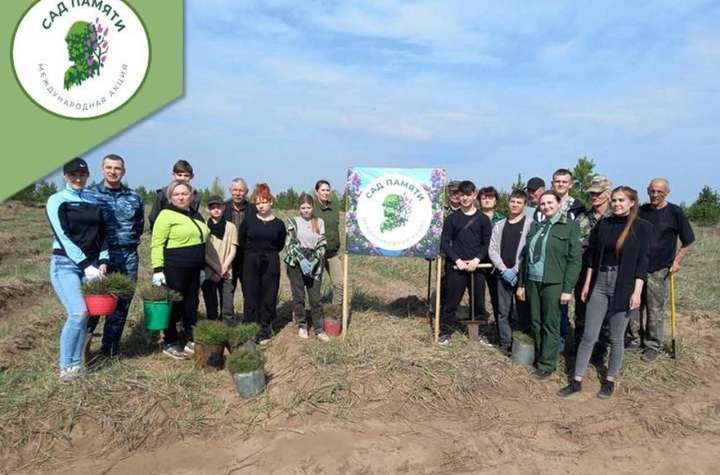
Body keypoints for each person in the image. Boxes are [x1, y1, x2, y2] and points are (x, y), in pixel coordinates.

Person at [559, 186, 652, 398]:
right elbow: (592, 258)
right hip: (599, 283)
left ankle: (609, 380)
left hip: (624, 285)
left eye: (621, 200)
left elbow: (642, 262)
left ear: (631, 203)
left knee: (616, 337)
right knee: (589, 335)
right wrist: (587, 285)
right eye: (615, 200)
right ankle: (576, 381)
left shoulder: (642, 227)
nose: (617, 204)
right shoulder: (604, 224)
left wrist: (637, 292)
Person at [47, 158, 109, 381]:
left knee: (86, 316)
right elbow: (62, 235)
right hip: (65, 264)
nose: (78, 178)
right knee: (77, 313)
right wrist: (85, 265)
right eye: (73, 174)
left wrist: (103, 260)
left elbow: (102, 233)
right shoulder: (57, 200)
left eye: (82, 175)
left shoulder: (93, 200)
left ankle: (77, 364)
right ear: (65, 176)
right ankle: (67, 365)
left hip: (91, 265)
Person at [627, 178, 695, 361]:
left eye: (659, 191)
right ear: (647, 191)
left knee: (655, 309)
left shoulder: (675, 212)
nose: (655, 195)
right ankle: (634, 340)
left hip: (660, 269)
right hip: (637, 267)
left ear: (667, 193)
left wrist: (677, 261)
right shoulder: (641, 211)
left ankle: (652, 345)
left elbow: (688, 240)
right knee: (634, 306)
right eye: (652, 191)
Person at [516, 191, 582, 379]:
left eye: (550, 202)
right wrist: (521, 284)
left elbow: (574, 261)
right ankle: (539, 357)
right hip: (533, 281)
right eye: (543, 204)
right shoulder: (537, 226)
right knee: (536, 321)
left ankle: (547, 364)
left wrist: (567, 289)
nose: (546, 207)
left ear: (559, 204)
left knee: (550, 323)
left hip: (553, 283)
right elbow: (526, 258)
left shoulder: (569, 227)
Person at [85, 154, 144, 358]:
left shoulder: (134, 197)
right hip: (98, 256)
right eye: (109, 167)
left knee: (122, 302)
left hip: (127, 255)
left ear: (123, 171)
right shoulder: (89, 195)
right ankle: (82, 349)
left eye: (117, 168)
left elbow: (138, 226)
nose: (113, 172)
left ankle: (110, 349)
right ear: (102, 169)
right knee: (94, 302)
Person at [150, 180, 210, 360]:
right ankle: (170, 341)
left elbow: (202, 240)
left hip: (195, 268)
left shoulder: (196, 215)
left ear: (191, 196)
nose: (181, 197)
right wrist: (158, 269)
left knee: (191, 304)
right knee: (175, 305)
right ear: (170, 197)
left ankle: (191, 339)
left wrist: (202, 267)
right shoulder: (166, 215)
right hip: (175, 267)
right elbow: (157, 243)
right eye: (176, 194)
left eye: (184, 193)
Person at [438, 180, 492, 345]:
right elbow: (444, 242)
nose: (465, 198)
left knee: (478, 303)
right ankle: (445, 332)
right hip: (456, 267)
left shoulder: (483, 219)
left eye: (468, 194)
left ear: (474, 195)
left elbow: (487, 243)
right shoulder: (452, 219)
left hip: (478, 267)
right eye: (462, 195)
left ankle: (479, 333)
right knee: (450, 302)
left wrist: (477, 259)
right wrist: (457, 260)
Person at [239, 183, 287, 343]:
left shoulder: (279, 224)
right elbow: (242, 240)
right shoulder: (248, 221)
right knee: (251, 295)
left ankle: (265, 329)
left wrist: (268, 253)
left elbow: (280, 244)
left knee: (269, 295)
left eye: (264, 202)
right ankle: (250, 330)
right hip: (251, 261)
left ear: (271, 202)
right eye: (257, 203)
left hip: (271, 262)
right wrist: (253, 254)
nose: (261, 206)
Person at [572, 175, 613, 356]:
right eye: (591, 193)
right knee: (581, 310)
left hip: (608, 273)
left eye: (598, 193)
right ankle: (580, 347)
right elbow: (575, 243)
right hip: (583, 271)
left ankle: (601, 350)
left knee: (606, 313)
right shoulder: (582, 218)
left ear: (608, 193)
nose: (594, 197)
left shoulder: (616, 217)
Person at [488, 189, 533, 352]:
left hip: (521, 275)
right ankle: (505, 343)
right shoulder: (499, 225)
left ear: (524, 205)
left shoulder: (530, 224)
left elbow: (529, 250)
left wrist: (515, 270)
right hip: (502, 274)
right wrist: (503, 269)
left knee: (524, 310)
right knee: (503, 311)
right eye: (512, 201)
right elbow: (492, 249)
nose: (515, 205)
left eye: (519, 202)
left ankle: (524, 344)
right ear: (508, 203)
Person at [284, 193, 329, 342]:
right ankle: (302, 325)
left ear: (313, 207)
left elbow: (322, 243)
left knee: (315, 298)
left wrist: (315, 260)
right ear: (299, 208)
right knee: (299, 295)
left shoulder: (319, 222)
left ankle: (319, 329)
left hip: (314, 261)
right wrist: (301, 259)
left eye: (308, 207)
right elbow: (289, 244)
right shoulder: (293, 222)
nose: (305, 210)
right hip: (296, 262)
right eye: (303, 208)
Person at [202, 196, 238, 325]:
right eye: (213, 207)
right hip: (209, 272)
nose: (216, 210)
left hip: (227, 272)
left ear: (223, 208)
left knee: (227, 307)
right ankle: (214, 333)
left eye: (218, 207)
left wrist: (223, 269)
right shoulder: (203, 227)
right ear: (208, 210)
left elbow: (233, 250)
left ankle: (228, 332)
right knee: (211, 307)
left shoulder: (231, 227)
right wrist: (216, 270)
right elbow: (203, 252)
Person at [222, 178, 255, 315]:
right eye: (235, 190)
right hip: (228, 256)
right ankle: (227, 319)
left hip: (247, 256)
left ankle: (249, 318)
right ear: (230, 190)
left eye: (241, 190)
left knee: (249, 288)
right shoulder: (223, 208)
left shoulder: (253, 209)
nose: (238, 193)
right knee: (227, 290)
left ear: (246, 192)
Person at [477, 186, 505, 322]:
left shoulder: (502, 220)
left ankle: (500, 324)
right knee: (478, 295)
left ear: (496, 201)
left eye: (490, 197)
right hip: (478, 261)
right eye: (484, 198)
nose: (487, 200)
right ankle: (480, 321)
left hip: (496, 263)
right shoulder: (474, 218)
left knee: (497, 295)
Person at [313, 180, 343, 306]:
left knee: (339, 283)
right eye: (323, 190)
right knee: (314, 285)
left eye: (327, 190)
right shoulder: (312, 208)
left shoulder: (334, 207)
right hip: (316, 254)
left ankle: (335, 311)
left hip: (332, 253)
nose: (325, 193)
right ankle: (315, 311)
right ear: (317, 192)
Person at [148, 159, 201, 229]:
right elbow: (153, 218)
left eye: (186, 175)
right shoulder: (163, 194)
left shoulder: (195, 197)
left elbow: (194, 217)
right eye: (179, 175)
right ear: (173, 175)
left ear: (192, 177)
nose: (182, 178)